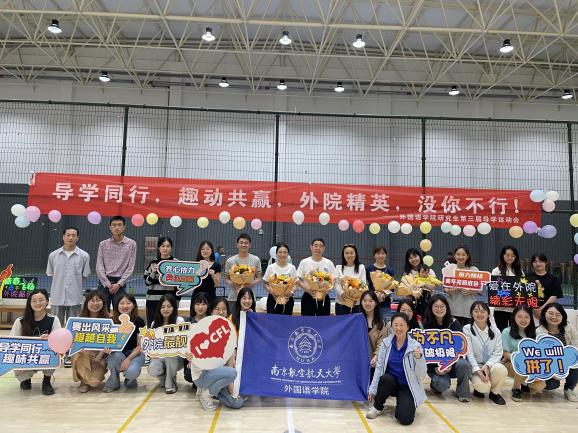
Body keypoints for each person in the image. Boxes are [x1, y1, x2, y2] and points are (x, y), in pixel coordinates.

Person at [366, 313, 426, 425]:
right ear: (391, 326)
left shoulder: (415, 346)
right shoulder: (386, 343)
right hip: (390, 383)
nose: (398, 328)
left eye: (402, 325)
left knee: (405, 419)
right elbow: (379, 368)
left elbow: (422, 373)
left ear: (407, 327)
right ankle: (377, 407)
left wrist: (419, 358)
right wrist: (372, 389)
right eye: (396, 325)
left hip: (406, 386)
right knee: (385, 379)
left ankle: (405, 403)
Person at [190, 303, 245, 411]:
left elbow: (230, 361)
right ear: (211, 311)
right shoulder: (202, 327)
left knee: (237, 403)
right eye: (217, 309)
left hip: (219, 375)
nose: (221, 312)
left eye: (224, 309)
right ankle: (206, 394)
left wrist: (230, 385)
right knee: (232, 373)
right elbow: (192, 352)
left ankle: (210, 390)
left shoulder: (229, 331)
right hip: (202, 375)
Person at [10, 289, 61, 395]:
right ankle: (26, 379)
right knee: (16, 357)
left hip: (44, 356)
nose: (38, 303)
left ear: (47, 301)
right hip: (26, 356)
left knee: (54, 354)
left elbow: (59, 341)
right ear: (30, 303)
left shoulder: (53, 319)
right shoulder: (20, 321)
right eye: (34, 301)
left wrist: (50, 338)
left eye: (41, 300)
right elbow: (12, 343)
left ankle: (46, 381)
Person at [422, 294, 471, 402]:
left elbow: (461, 349)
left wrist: (451, 363)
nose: (439, 309)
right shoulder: (426, 325)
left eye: (442, 306)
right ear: (431, 308)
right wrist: (435, 367)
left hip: (452, 364)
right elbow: (425, 351)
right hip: (435, 366)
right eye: (436, 306)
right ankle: (435, 385)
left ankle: (463, 393)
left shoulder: (454, 323)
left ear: (446, 307)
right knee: (441, 385)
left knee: (464, 364)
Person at [46, 226, 91, 330]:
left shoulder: (84, 256)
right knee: (56, 327)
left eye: (73, 235)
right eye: (68, 235)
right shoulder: (53, 255)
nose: (70, 238)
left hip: (75, 298)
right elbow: (51, 274)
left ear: (77, 237)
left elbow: (84, 275)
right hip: (57, 297)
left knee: (74, 327)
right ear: (63, 237)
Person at [463, 301, 507, 405]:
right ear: (471, 314)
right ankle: (478, 389)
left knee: (501, 369)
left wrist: (487, 366)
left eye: (483, 311)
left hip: (490, 365)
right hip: (476, 366)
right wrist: (478, 371)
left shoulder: (495, 331)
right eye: (476, 311)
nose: (479, 314)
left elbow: (498, 353)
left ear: (488, 314)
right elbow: (469, 353)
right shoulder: (467, 329)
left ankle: (494, 393)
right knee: (483, 387)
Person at [502, 305, 545, 401]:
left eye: (526, 317)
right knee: (521, 364)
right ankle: (516, 388)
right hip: (509, 363)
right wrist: (520, 359)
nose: (523, 320)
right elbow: (505, 354)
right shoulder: (506, 332)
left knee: (540, 386)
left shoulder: (535, 333)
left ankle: (524, 383)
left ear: (531, 318)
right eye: (519, 317)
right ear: (514, 317)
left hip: (530, 365)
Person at [536, 303, 578, 402]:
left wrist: (567, 362)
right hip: (549, 364)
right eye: (551, 313)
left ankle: (569, 389)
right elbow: (540, 356)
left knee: (576, 362)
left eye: (558, 314)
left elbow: (575, 347)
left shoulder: (569, 328)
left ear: (563, 316)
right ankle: (546, 384)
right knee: (552, 385)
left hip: (567, 360)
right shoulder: (539, 331)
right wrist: (554, 372)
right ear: (544, 314)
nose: (554, 317)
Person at [104, 294, 145, 392]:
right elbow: (107, 342)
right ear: (117, 305)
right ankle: (114, 381)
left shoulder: (139, 321)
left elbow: (139, 346)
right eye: (122, 303)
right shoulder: (112, 321)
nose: (125, 306)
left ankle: (130, 379)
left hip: (135, 353)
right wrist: (106, 349)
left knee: (131, 372)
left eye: (128, 303)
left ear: (133, 305)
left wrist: (129, 359)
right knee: (114, 358)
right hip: (118, 353)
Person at [71, 290, 110, 392]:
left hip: (100, 355)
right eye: (92, 300)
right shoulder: (78, 319)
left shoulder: (110, 319)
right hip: (84, 353)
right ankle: (83, 381)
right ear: (86, 303)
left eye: (98, 300)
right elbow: (72, 340)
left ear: (103, 303)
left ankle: (89, 379)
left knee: (94, 383)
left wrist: (99, 357)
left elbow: (111, 341)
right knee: (77, 355)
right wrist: (79, 349)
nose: (95, 303)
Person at [96, 216, 137, 311]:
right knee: (102, 312)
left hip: (120, 284)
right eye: (114, 225)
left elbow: (130, 267)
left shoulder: (131, 244)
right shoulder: (103, 244)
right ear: (110, 227)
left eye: (119, 225)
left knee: (120, 312)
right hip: (104, 284)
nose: (117, 227)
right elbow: (99, 266)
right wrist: (107, 283)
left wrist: (119, 284)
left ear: (124, 227)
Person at [147, 294, 184, 394]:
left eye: (169, 306)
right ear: (159, 309)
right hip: (160, 356)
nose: (166, 309)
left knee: (170, 355)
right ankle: (167, 379)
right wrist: (152, 354)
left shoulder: (179, 321)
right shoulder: (154, 323)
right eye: (163, 307)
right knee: (152, 369)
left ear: (174, 307)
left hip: (176, 357)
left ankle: (170, 385)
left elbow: (183, 342)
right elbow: (151, 344)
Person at [296, 238, 338, 316]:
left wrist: (326, 291)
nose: (318, 248)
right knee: (307, 321)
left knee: (324, 322)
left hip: (324, 297)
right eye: (316, 245)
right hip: (308, 296)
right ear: (311, 247)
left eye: (320, 246)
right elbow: (298, 279)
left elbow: (333, 280)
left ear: (324, 249)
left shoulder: (329, 263)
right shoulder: (304, 262)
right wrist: (308, 290)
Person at [225, 233, 262, 315]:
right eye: (241, 242)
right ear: (237, 245)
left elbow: (259, 277)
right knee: (233, 320)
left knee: (250, 320)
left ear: (250, 245)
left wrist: (252, 283)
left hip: (249, 298)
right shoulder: (230, 261)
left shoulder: (255, 259)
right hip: (234, 297)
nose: (243, 245)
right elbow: (226, 278)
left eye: (246, 243)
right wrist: (232, 283)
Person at [144, 237, 177, 326]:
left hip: (169, 303)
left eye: (168, 246)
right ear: (159, 248)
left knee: (169, 327)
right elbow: (147, 283)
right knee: (152, 327)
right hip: (152, 302)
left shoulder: (176, 264)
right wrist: (153, 273)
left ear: (171, 248)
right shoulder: (152, 263)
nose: (165, 248)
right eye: (163, 246)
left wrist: (176, 302)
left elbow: (179, 286)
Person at [444, 245, 481, 326]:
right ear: (454, 256)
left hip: (469, 309)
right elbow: (445, 288)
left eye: (463, 255)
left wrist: (471, 291)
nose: (461, 257)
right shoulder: (449, 269)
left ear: (467, 256)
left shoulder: (473, 270)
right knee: (454, 332)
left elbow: (480, 290)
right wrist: (449, 290)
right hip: (453, 309)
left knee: (468, 333)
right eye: (458, 254)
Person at [491, 245, 524, 331]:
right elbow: (494, 289)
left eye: (512, 255)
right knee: (501, 331)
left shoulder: (520, 272)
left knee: (515, 331)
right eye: (507, 255)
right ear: (503, 256)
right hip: (500, 309)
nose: (510, 258)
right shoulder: (496, 271)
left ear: (516, 257)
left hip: (515, 309)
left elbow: (523, 290)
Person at [360, 290, 390, 378]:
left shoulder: (381, 323)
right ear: (361, 302)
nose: (367, 303)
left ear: (376, 303)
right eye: (364, 301)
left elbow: (382, 343)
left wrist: (376, 356)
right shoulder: (356, 320)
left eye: (371, 301)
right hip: (358, 362)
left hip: (373, 363)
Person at [400, 248, 438, 317]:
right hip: (411, 304)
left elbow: (434, 287)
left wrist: (423, 284)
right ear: (408, 260)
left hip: (426, 303)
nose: (413, 259)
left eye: (415, 256)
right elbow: (404, 289)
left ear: (419, 256)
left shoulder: (429, 271)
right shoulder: (407, 273)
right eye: (410, 258)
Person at [525, 253, 563, 320]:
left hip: (547, 311)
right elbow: (524, 293)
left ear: (546, 262)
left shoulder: (553, 279)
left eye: (540, 261)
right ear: (532, 263)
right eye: (535, 262)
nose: (538, 264)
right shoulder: (527, 277)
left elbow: (554, 296)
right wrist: (534, 308)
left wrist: (541, 308)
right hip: (529, 312)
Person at [263, 243, 298, 315]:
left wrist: (290, 293)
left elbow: (296, 284)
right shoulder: (271, 267)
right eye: (280, 252)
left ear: (288, 254)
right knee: (272, 320)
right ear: (276, 254)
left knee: (286, 321)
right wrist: (272, 292)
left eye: (285, 252)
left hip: (287, 300)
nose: (282, 254)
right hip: (273, 299)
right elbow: (265, 283)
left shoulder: (292, 268)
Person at [335, 244, 367, 315]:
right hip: (341, 303)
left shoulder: (361, 267)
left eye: (351, 253)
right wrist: (341, 293)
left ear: (355, 254)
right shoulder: (338, 268)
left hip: (356, 304)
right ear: (343, 255)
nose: (349, 255)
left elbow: (363, 284)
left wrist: (355, 297)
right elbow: (336, 284)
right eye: (346, 253)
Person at [365, 246, 395, 319]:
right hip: (370, 303)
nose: (380, 256)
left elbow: (391, 288)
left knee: (385, 324)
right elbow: (364, 285)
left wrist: (383, 295)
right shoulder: (368, 269)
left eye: (382, 253)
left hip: (385, 304)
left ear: (386, 255)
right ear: (374, 255)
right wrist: (373, 294)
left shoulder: (390, 270)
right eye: (378, 253)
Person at [191, 241, 222, 308]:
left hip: (210, 296)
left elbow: (217, 284)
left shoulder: (216, 265)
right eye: (202, 249)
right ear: (200, 251)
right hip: (197, 295)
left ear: (211, 251)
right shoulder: (195, 265)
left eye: (208, 249)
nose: (205, 251)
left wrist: (213, 275)